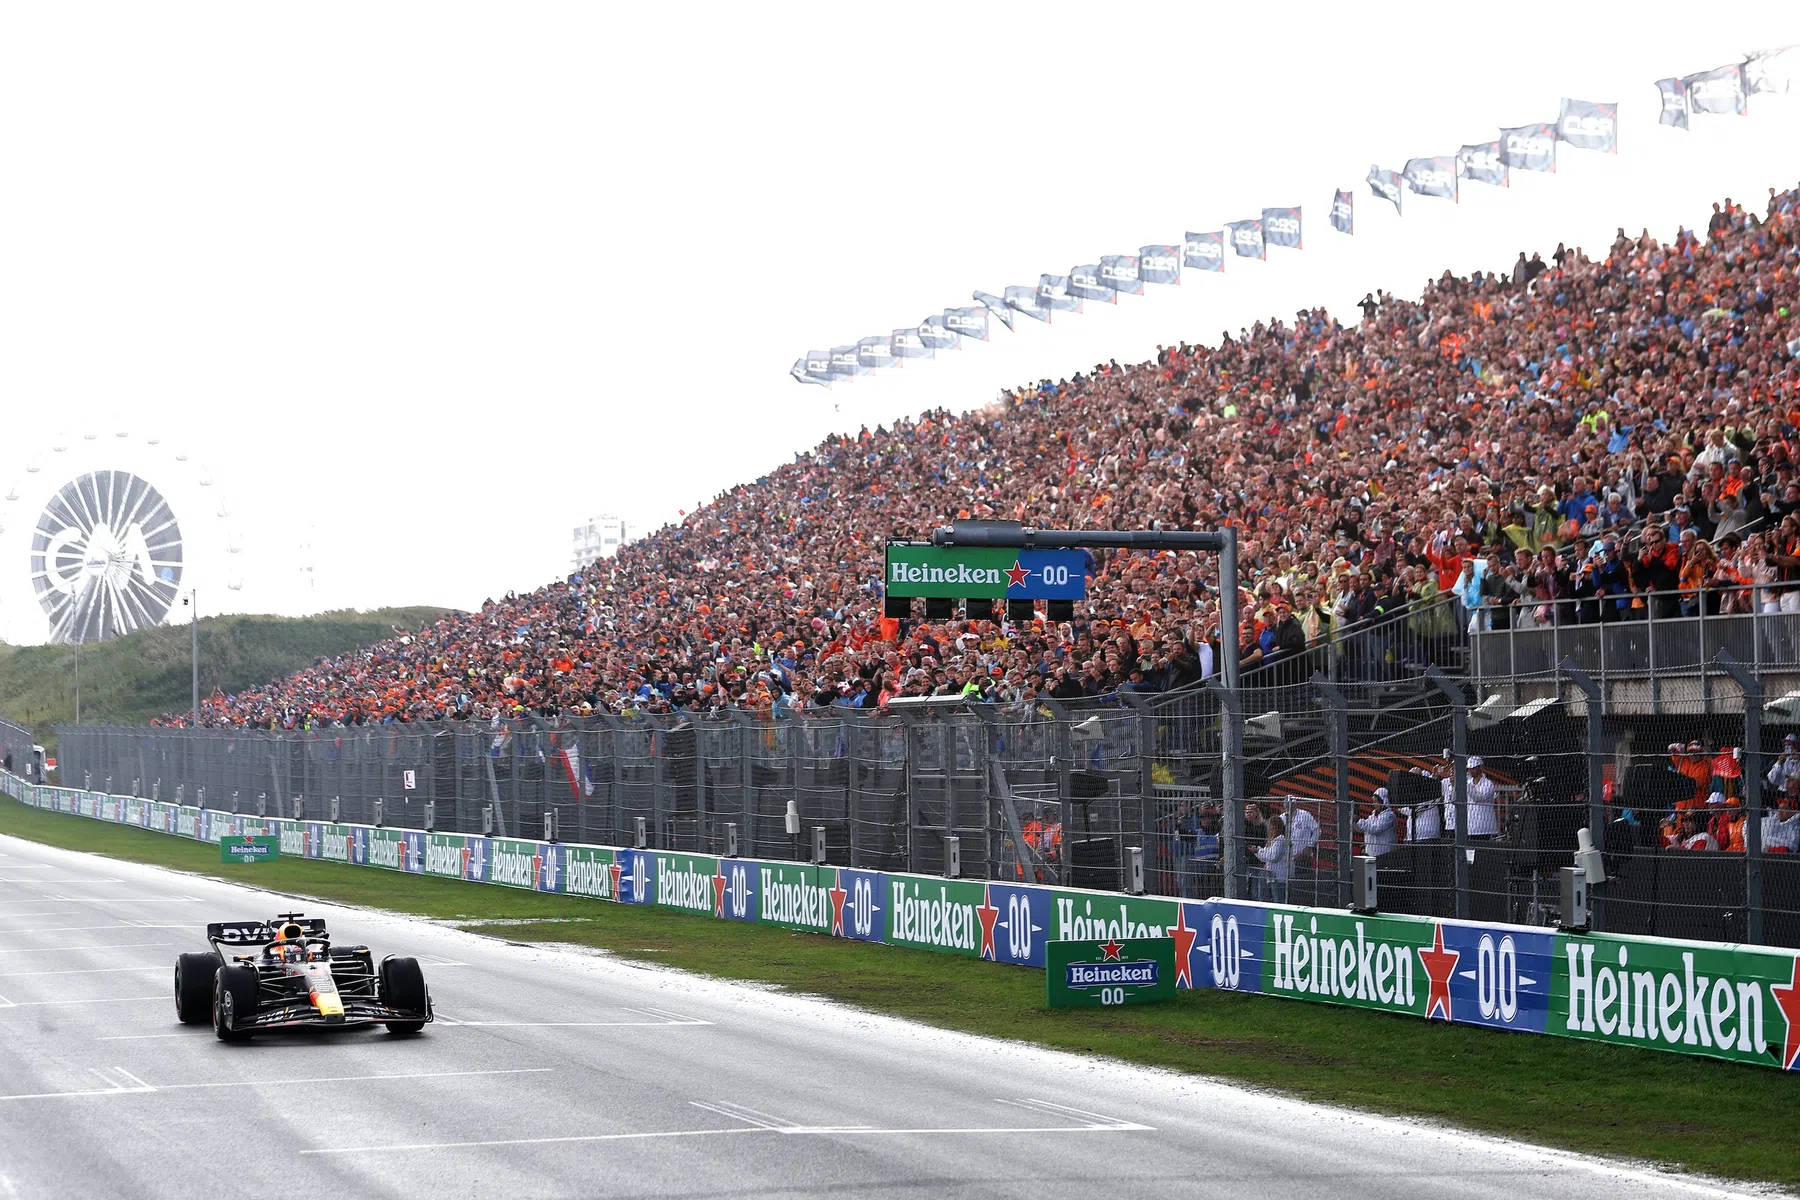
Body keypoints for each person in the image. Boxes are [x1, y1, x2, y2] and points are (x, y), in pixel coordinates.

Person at [1444, 756, 1501, 838]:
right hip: (1470, 827)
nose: (1470, 771)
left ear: (1481, 767)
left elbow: (1479, 797)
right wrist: (1454, 785)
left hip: (1484, 828)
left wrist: (1464, 784)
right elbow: (1455, 799)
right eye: (1469, 768)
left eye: (1473, 768)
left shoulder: (1488, 784)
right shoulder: (1468, 783)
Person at [1254, 814, 1292, 902]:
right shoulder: (1272, 840)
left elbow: (1274, 856)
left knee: (1278, 899)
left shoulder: (1281, 839)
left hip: (1279, 876)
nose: (1270, 830)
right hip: (1271, 874)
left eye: (1272, 828)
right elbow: (1266, 856)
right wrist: (1258, 851)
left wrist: (1258, 851)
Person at [1356, 787, 1398, 857]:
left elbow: (1375, 829)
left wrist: (1358, 820)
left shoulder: (1389, 816)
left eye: (1376, 801)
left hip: (1385, 854)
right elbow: (1362, 829)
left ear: (1383, 801)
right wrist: (1353, 821)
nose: (1373, 804)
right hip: (1372, 854)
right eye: (1373, 801)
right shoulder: (1372, 816)